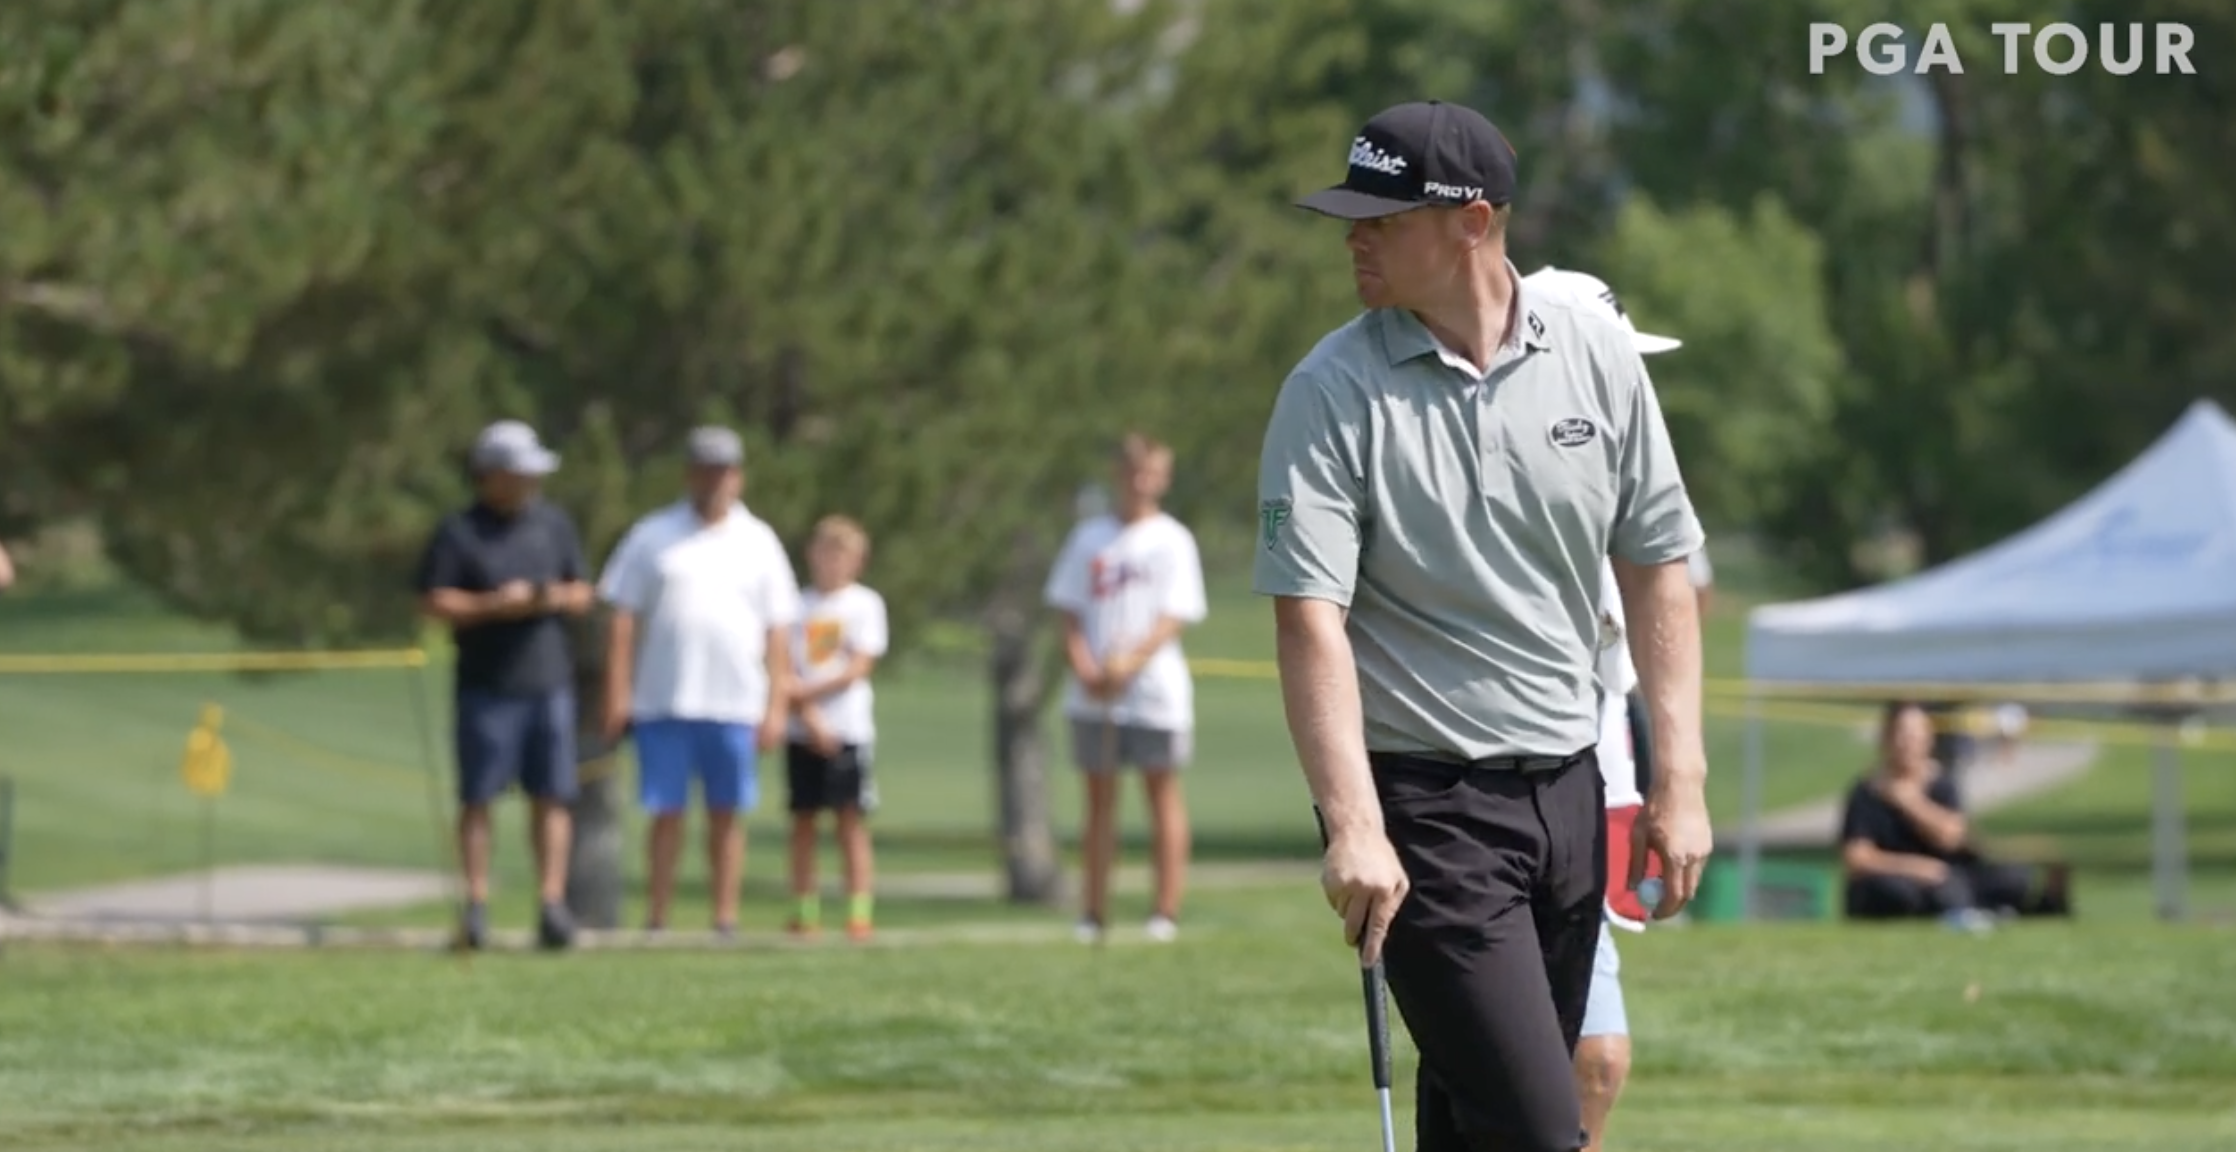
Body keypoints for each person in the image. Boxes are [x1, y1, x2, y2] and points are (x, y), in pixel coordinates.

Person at [1257, 100, 1712, 1152]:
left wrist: (1676, 779)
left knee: (1473, 1125)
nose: (1352, 236)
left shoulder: (1597, 357)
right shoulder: (1330, 390)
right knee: (1539, 1130)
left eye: (1381, 218)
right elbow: (1308, 617)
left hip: (1565, 793)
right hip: (1427, 810)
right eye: (1351, 218)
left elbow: (1655, 566)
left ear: (1471, 220)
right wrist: (1354, 824)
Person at [1523, 265, 1686, 1152]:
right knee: (1531, 1071)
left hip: (1592, 802)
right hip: (1494, 806)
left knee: (1600, 1062)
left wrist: (1669, 791)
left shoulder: (1631, 494)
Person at [597, 426, 799, 936]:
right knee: (665, 812)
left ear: (738, 477)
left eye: (724, 471)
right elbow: (624, 620)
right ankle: (658, 916)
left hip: (734, 701)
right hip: (664, 698)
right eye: (705, 470)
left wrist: (777, 705)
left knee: (727, 813)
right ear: (689, 474)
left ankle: (725, 917)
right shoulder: (652, 535)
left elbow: (779, 632)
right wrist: (617, 692)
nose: (715, 480)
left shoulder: (760, 541)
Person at [413, 419, 595, 951]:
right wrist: (495, 605)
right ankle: (475, 907)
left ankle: (552, 904)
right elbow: (433, 601)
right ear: (492, 476)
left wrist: (547, 599)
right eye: (522, 472)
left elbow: (582, 592)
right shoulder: (459, 532)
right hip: (487, 686)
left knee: (553, 796)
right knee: (479, 797)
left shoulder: (554, 525)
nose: (532, 481)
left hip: (548, 681)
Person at [1043, 432, 1207, 944]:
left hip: (1153, 690)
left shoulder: (1173, 539)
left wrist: (1130, 661)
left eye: (1153, 472)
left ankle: (1165, 911)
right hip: (1095, 692)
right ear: (1120, 474)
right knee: (1098, 800)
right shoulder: (1090, 537)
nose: (1143, 482)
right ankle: (1093, 910)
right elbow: (1068, 610)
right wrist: (1088, 668)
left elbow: (1175, 614)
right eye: (1135, 471)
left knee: (1161, 793)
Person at [1840, 701, 2070, 926]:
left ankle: (2032, 908)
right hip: (1900, 878)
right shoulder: (1867, 791)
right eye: (1901, 734)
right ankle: (1972, 911)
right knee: (1898, 892)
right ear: (1886, 738)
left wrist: (1909, 802)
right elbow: (1858, 858)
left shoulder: (1942, 784)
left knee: (2012, 877)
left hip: (1949, 875)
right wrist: (1918, 868)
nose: (1907, 743)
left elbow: (1952, 835)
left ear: (1928, 738)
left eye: (1914, 735)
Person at [784, 515, 890, 941]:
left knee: (850, 822)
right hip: (802, 731)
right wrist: (806, 714)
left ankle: (858, 912)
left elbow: (858, 666)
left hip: (847, 729)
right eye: (825, 552)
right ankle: (804, 912)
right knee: (804, 821)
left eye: (841, 555)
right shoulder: (795, 606)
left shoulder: (864, 605)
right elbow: (782, 666)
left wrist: (808, 694)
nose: (831, 563)